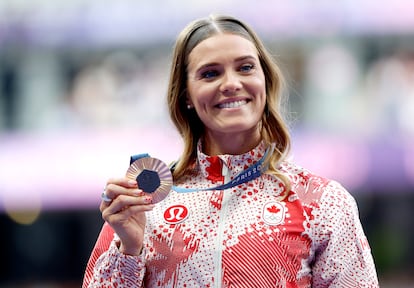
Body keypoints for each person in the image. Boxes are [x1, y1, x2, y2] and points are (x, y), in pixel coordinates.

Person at [82, 14, 379, 287]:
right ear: (186, 95)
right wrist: (129, 249)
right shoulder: (145, 204)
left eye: (246, 67)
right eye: (210, 74)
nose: (232, 84)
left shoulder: (323, 202)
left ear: (265, 80)